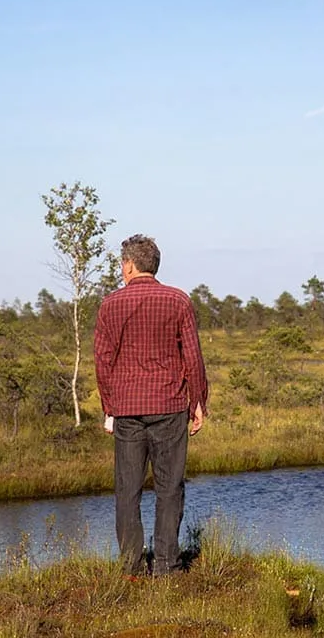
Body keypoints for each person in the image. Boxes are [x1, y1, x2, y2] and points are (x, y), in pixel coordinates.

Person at [93, 234, 209, 576]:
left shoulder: (109, 304)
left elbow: (102, 361)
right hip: (170, 405)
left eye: (121, 265)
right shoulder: (178, 301)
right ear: (153, 265)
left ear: (129, 265)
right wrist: (197, 401)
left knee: (127, 491)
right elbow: (193, 356)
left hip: (127, 409)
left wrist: (109, 406)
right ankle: (167, 565)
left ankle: (131, 567)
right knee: (169, 488)